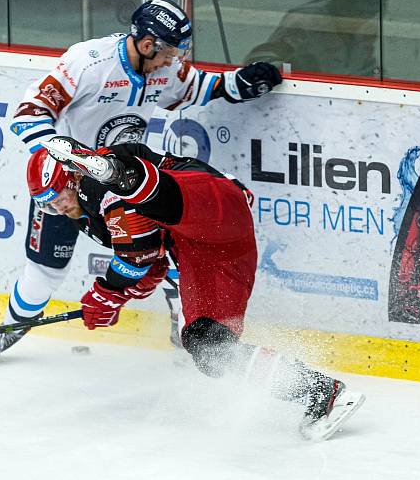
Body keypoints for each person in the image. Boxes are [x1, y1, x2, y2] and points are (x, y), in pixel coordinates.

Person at [0, 0, 283, 362]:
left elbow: (195, 87)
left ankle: (184, 328)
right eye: (170, 52)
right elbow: (30, 113)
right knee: (45, 267)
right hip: (65, 185)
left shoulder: (161, 68)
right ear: (148, 44)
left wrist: (238, 85)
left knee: (171, 249)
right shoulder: (88, 63)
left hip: (125, 185)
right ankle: (12, 325)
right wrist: (68, 160)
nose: (174, 61)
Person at [30, 136, 366, 440]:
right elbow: (153, 261)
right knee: (207, 347)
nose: (57, 208)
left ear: (73, 176)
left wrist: (108, 292)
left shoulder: (103, 179)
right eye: (47, 205)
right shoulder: (86, 215)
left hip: (213, 203)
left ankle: (121, 175)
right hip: (206, 253)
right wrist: (119, 295)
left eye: (57, 197)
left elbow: (137, 258)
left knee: (158, 196)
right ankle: (322, 391)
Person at [244, 0, 383, 77]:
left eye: (370, 13)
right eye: (359, 12)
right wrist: (288, 70)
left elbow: (367, 70)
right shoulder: (305, 22)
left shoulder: (367, 28)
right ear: (341, 0)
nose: (363, 20)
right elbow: (259, 63)